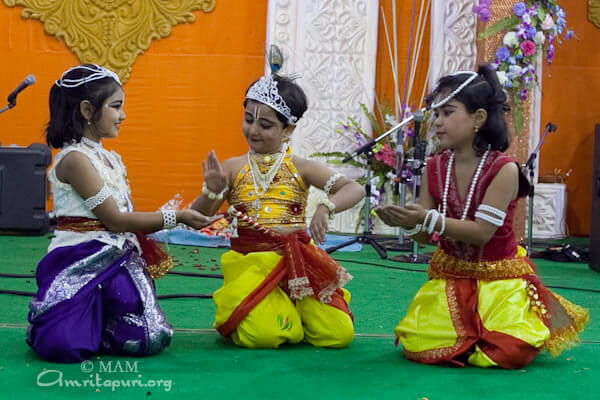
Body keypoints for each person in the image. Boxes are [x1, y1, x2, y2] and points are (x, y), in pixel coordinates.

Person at [375, 65, 588, 368]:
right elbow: (425, 236)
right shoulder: (435, 166)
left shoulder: (504, 168)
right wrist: (408, 223)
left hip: (499, 280)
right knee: (419, 343)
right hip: (451, 277)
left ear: (478, 118)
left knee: (506, 352)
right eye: (435, 114)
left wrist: (427, 219)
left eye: (447, 112)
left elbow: (482, 232)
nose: (437, 121)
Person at [27, 64, 217, 363]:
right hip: (79, 257)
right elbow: (115, 220)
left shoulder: (110, 158)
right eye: (116, 106)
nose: (123, 115)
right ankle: (80, 317)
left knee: (151, 336)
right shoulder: (75, 159)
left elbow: (125, 220)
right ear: (88, 110)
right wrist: (176, 217)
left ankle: (96, 320)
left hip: (117, 254)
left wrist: (209, 196)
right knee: (64, 347)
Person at [191, 70, 365, 349]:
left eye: (266, 124)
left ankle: (289, 309)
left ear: (289, 129)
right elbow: (198, 219)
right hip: (251, 266)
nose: (253, 130)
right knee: (266, 335)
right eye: (249, 119)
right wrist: (212, 191)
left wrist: (326, 206)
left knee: (338, 334)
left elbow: (355, 189)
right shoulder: (233, 168)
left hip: (299, 263)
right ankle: (279, 313)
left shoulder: (301, 167)